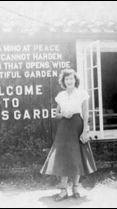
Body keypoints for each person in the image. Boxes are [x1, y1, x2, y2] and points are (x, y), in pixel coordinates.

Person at [40, 69, 97, 201]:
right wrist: (64, 114)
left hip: (78, 126)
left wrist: (85, 131)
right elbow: (56, 114)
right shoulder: (61, 95)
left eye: (71, 79)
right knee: (64, 158)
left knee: (76, 157)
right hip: (64, 128)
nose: (69, 81)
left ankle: (75, 188)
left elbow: (86, 114)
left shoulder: (82, 94)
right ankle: (63, 190)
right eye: (66, 79)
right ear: (63, 82)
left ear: (75, 80)